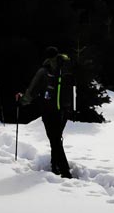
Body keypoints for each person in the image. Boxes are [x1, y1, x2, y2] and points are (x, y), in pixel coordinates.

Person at [17, 46, 74, 178]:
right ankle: (55, 166)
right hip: (65, 108)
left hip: (50, 110)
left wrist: (22, 101)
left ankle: (65, 171)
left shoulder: (44, 70)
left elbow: (33, 90)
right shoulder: (66, 67)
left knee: (54, 140)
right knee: (56, 138)